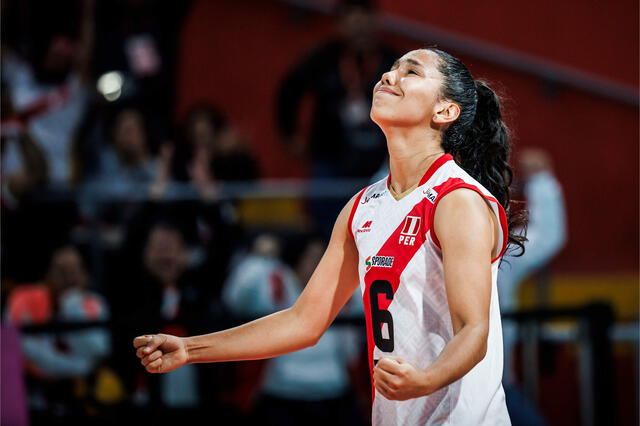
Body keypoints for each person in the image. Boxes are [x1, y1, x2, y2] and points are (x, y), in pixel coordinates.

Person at [134, 48, 526, 425]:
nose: (388, 76)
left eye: (411, 71)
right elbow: (303, 322)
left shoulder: (456, 200)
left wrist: (426, 379)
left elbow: (473, 330)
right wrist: (190, 349)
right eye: (391, 68)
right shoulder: (362, 207)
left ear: (445, 111)